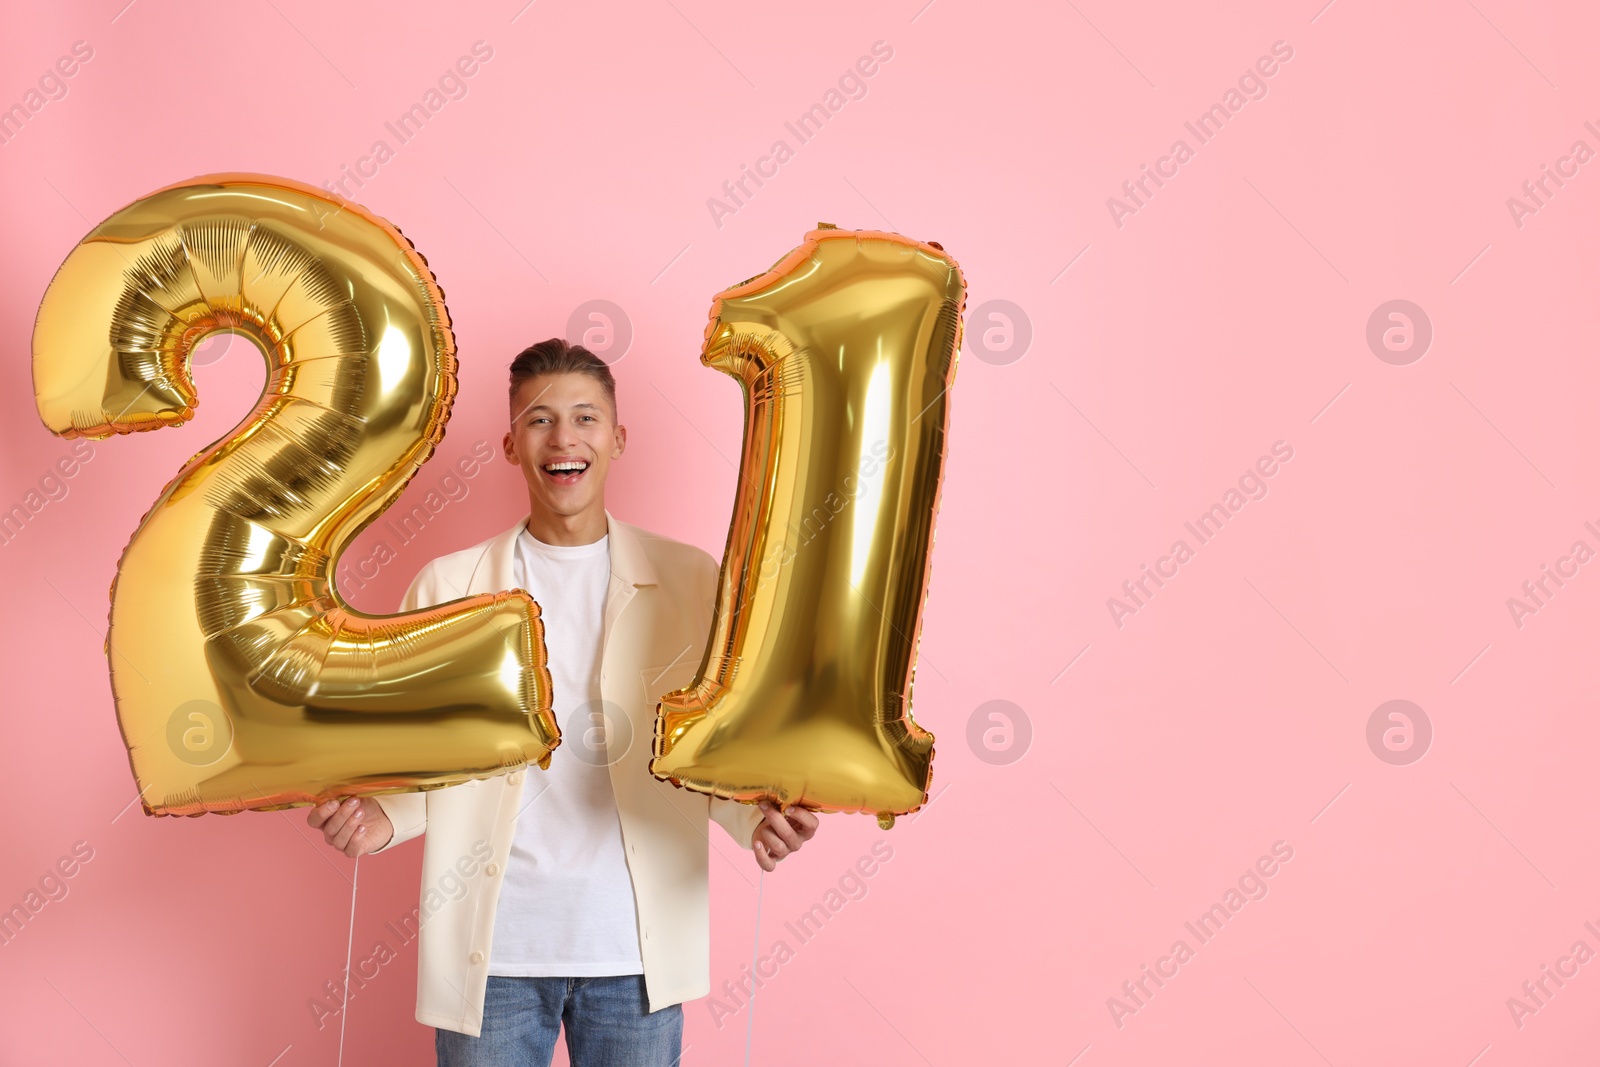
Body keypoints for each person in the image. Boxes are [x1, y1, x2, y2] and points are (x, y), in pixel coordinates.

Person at [307, 338, 818, 1065]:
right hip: (496, 959)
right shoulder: (445, 587)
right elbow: (437, 760)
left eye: (585, 417)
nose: (564, 437)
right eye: (540, 420)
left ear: (617, 438)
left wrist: (755, 817)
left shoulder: (691, 580)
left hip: (634, 954)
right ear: (511, 444)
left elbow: (708, 744)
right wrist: (378, 817)